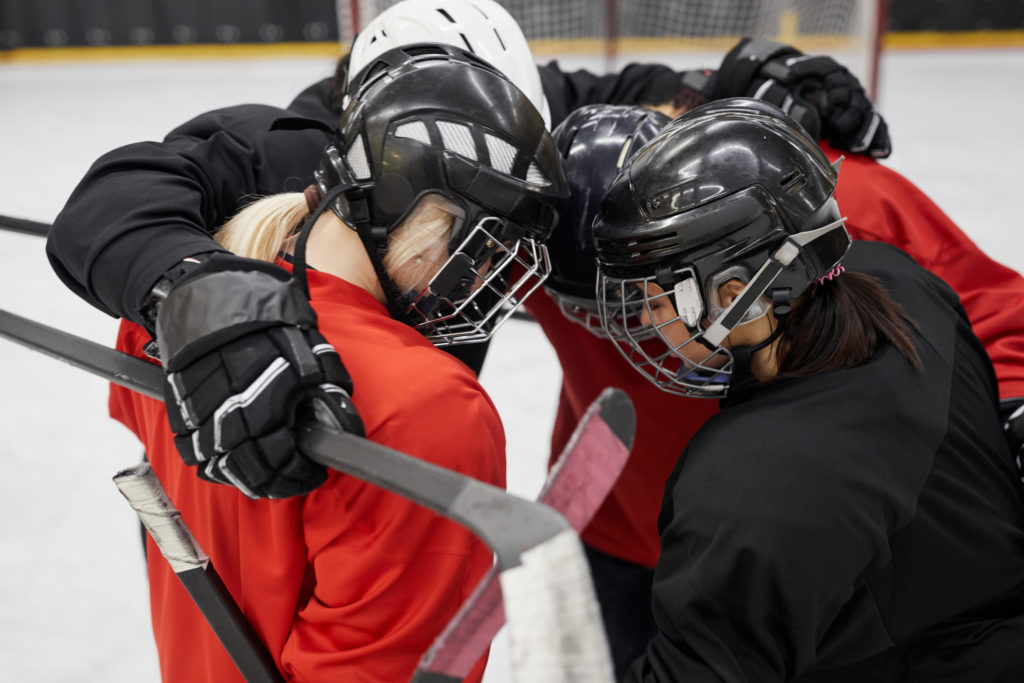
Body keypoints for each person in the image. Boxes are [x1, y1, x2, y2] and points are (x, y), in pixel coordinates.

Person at [107, 44, 568, 681]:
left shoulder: (169, 323)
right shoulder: (434, 406)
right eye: (484, 247)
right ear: (426, 215)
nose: (483, 278)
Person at [592, 98, 1024, 681]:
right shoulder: (907, 286)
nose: (642, 319)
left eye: (653, 294)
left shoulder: (749, 489)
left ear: (732, 293)